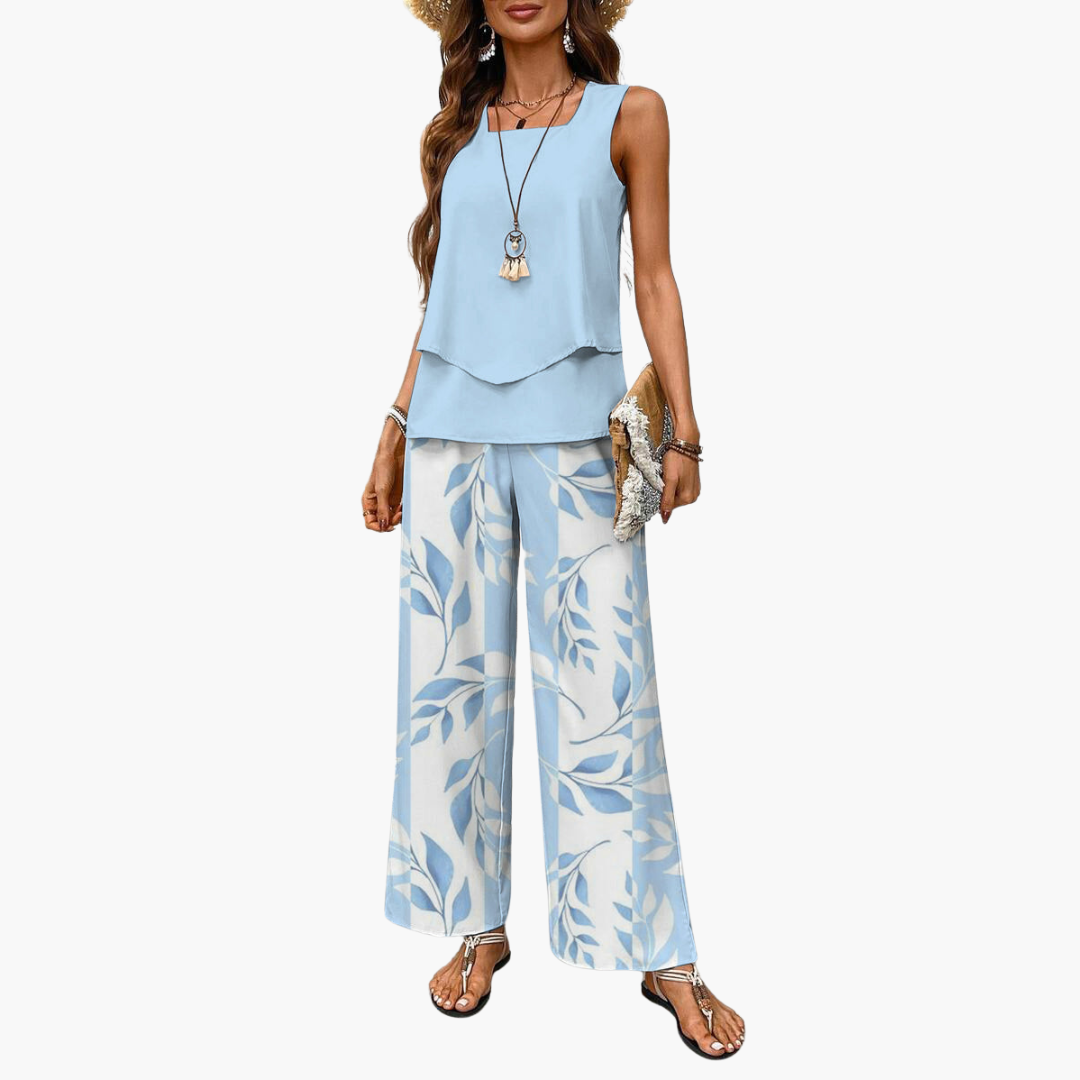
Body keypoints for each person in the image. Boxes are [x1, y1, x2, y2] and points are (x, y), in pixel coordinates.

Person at [368, 1, 745, 1059]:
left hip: (580, 440)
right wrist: (393, 427)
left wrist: (685, 428)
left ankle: (662, 948)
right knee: (449, 698)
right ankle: (476, 927)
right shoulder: (458, 129)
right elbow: (440, 299)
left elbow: (655, 278)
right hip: (450, 440)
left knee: (608, 701)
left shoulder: (633, 115)